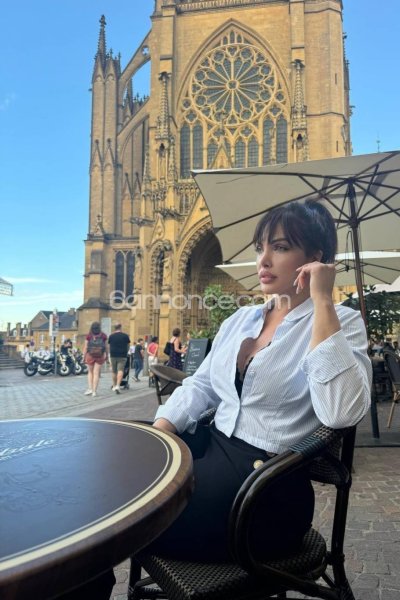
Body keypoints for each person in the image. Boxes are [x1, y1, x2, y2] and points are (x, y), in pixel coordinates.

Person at [70, 199, 372, 598]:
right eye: (260, 248)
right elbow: (201, 386)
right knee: (96, 482)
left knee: (102, 523)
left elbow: (342, 412)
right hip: (212, 452)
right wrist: (162, 432)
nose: (263, 260)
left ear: (315, 258)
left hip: (265, 490)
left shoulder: (340, 321)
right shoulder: (241, 319)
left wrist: (323, 303)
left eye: (280, 247)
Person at [83, 321, 108, 397]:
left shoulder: (89, 336)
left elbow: (86, 347)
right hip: (100, 356)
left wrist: (84, 357)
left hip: (90, 355)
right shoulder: (103, 335)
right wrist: (106, 355)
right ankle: (94, 392)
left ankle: (90, 388)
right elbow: (106, 347)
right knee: (96, 373)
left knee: (90, 372)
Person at [108, 324, 130, 394]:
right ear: (120, 328)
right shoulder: (125, 336)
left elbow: (109, 346)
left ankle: (114, 386)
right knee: (120, 370)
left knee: (114, 371)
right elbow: (128, 346)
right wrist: (126, 352)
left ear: (115, 328)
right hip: (122, 355)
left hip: (113, 355)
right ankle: (118, 385)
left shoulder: (111, 336)